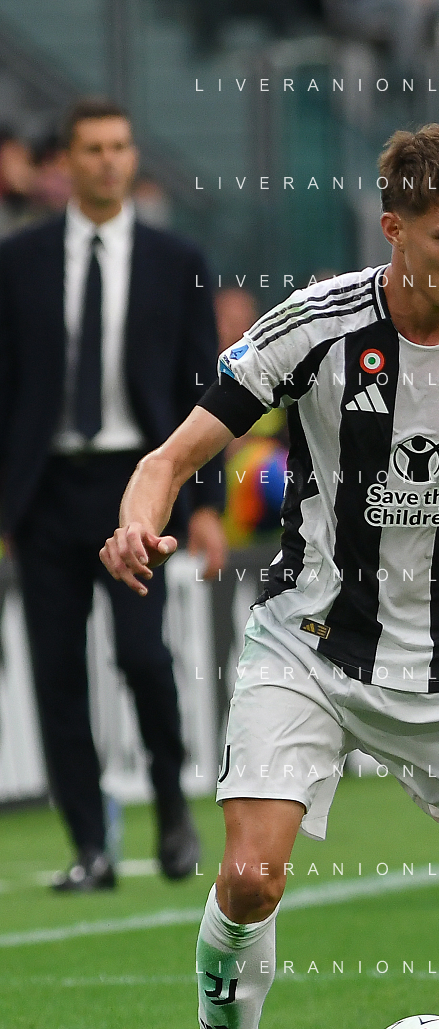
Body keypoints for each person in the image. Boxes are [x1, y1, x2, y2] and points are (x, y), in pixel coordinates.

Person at [101, 123, 439, 1029]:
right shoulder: (314, 325)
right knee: (249, 876)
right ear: (393, 229)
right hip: (311, 643)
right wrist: (138, 520)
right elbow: (172, 456)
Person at [0, 97, 227, 890]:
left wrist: (206, 505)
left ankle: (170, 802)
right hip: (45, 492)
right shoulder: (18, 260)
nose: (107, 160)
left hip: (140, 487)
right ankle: (91, 846)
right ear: (65, 160)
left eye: (120, 146)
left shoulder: (177, 259)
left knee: (142, 655)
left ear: (133, 158)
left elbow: (206, 391)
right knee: (56, 675)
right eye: (92, 147)